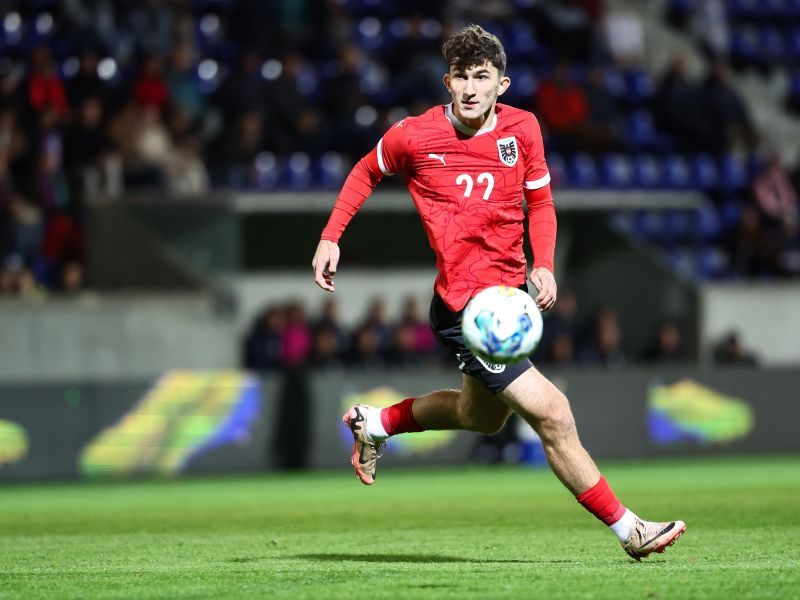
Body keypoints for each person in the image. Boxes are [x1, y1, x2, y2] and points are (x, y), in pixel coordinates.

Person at [311, 24, 685, 561]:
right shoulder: (414, 135)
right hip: (469, 309)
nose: (469, 88)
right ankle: (630, 530)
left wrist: (544, 265)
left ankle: (376, 422)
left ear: (501, 84)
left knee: (480, 417)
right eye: (460, 77)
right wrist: (331, 236)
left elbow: (542, 204)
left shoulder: (523, 129)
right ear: (447, 81)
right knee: (553, 412)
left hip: (508, 299)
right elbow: (365, 171)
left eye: (481, 77)